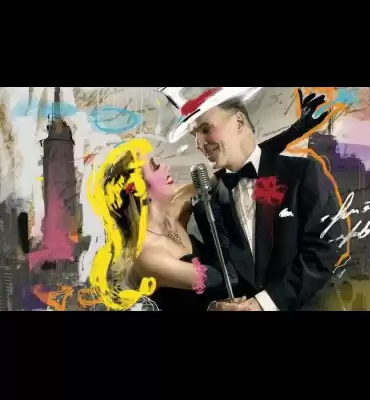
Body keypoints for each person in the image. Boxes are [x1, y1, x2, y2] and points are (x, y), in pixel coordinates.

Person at [91, 88, 327, 311]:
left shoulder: (177, 206)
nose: (164, 166)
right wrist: (216, 224)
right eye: (154, 166)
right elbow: (221, 281)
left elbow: (241, 167)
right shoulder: (146, 254)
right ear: (137, 189)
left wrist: (295, 130)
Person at [161, 86, 346, 311]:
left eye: (205, 129)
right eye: (194, 135)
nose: (199, 144)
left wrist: (264, 303)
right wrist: (216, 306)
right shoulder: (207, 204)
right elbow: (220, 275)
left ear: (239, 122)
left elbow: (325, 249)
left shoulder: (303, 174)